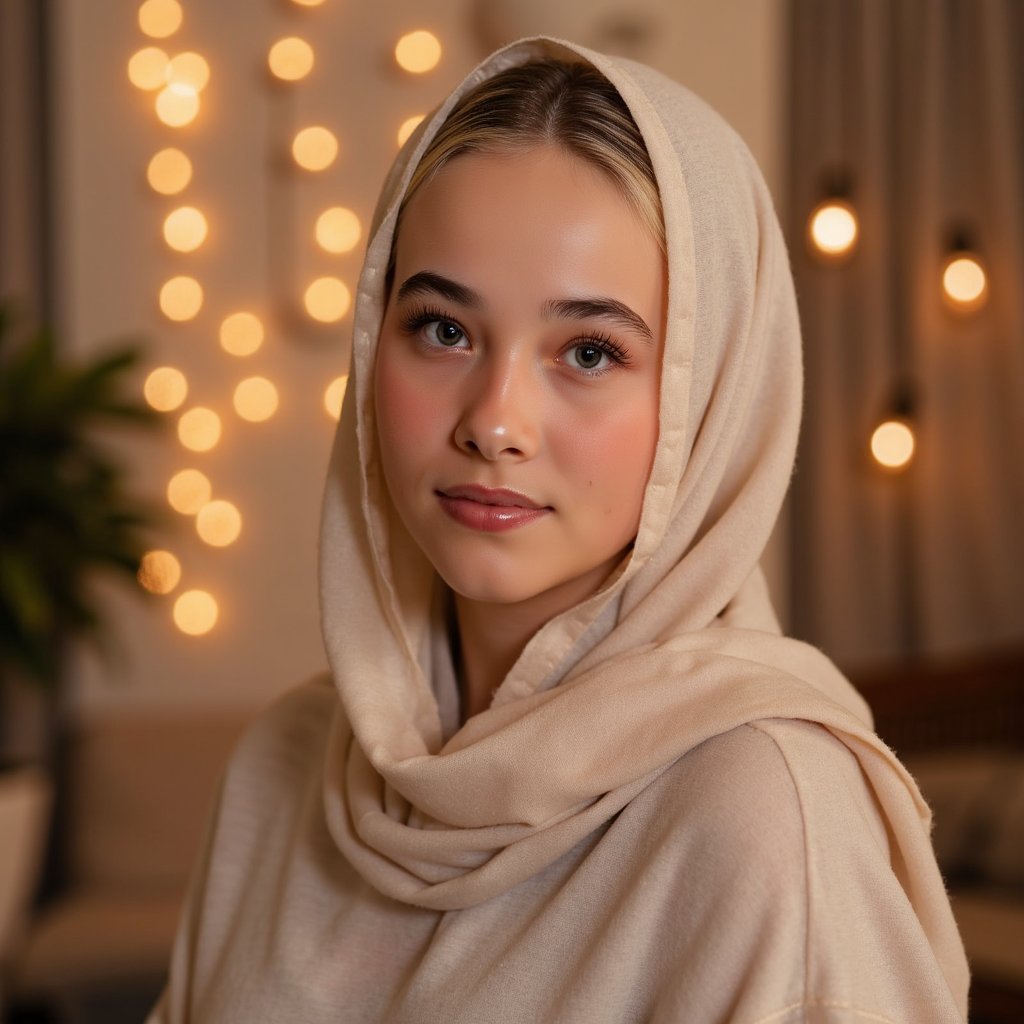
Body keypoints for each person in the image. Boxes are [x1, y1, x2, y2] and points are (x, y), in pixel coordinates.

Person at [148, 37, 969, 1023]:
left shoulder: (759, 809)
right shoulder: (283, 765)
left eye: (587, 349)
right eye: (442, 329)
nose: (494, 420)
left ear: (707, 399)